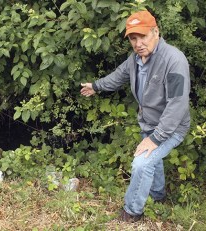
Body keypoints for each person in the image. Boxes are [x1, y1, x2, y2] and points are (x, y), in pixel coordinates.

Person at [80, 10, 190, 222]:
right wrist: (96, 86)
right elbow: (118, 76)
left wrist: (156, 138)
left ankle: (131, 212)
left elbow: (177, 104)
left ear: (155, 32)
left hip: (171, 128)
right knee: (153, 162)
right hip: (148, 123)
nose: (138, 43)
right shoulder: (135, 59)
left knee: (142, 163)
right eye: (133, 38)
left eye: (143, 36)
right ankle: (157, 196)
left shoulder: (174, 60)